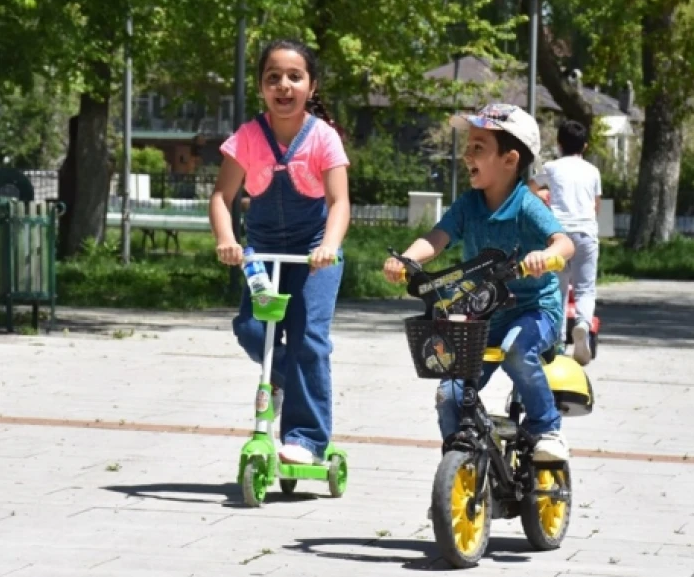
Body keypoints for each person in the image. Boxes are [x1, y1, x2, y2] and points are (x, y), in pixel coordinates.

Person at [383, 103, 576, 462]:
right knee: (450, 393)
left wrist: (547, 256)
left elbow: (564, 243)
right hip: (485, 311)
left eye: (478, 147)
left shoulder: (526, 206)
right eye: (468, 145)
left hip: (533, 310)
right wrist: (407, 260)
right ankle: (460, 465)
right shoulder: (469, 204)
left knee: (518, 351)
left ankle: (546, 428)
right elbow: (438, 236)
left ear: (509, 159)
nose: (466, 154)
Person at [208, 38, 351, 465]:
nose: (284, 86)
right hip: (262, 252)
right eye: (274, 78)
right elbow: (221, 195)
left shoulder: (323, 138)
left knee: (308, 336)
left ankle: (306, 438)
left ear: (311, 85)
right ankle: (294, 378)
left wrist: (329, 245)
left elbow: (339, 202)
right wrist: (226, 240)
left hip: (313, 255)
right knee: (253, 330)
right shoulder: (249, 137)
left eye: (294, 77)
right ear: (261, 87)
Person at [530, 119, 601, 365]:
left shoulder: (551, 167)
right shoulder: (593, 171)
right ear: (585, 146)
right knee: (585, 288)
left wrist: (541, 195)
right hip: (586, 233)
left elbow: (528, 188)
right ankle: (582, 324)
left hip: (558, 235)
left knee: (557, 290)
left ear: (558, 144)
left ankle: (557, 342)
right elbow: (596, 206)